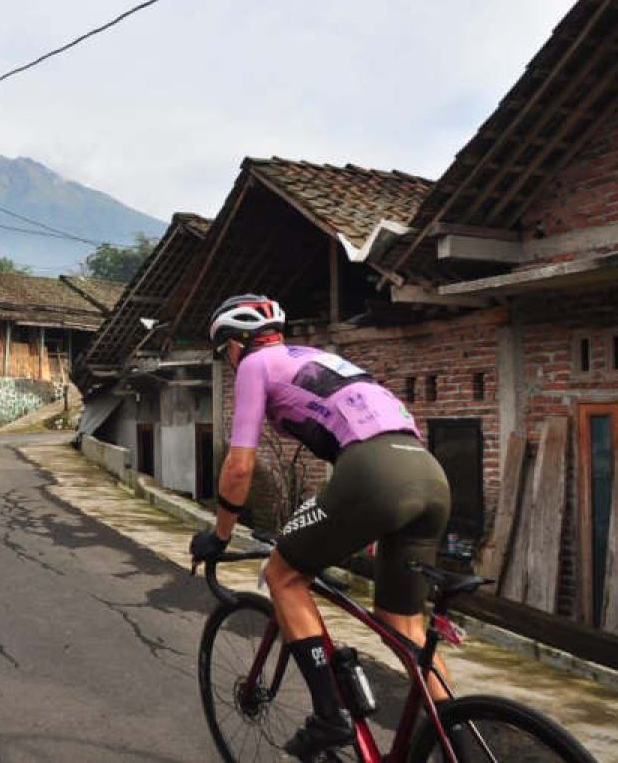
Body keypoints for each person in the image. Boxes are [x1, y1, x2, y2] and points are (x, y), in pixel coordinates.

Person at [189, 294, 452, 759]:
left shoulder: (255, 365)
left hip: (373, 474)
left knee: (283, 576)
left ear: (234, 344)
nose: (227, 361)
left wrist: (220, 534)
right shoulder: (322, 360)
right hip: (427, 475)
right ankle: (459, 737)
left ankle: (331, 716)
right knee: (405, 626)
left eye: (222, 352)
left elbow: (239, 465)